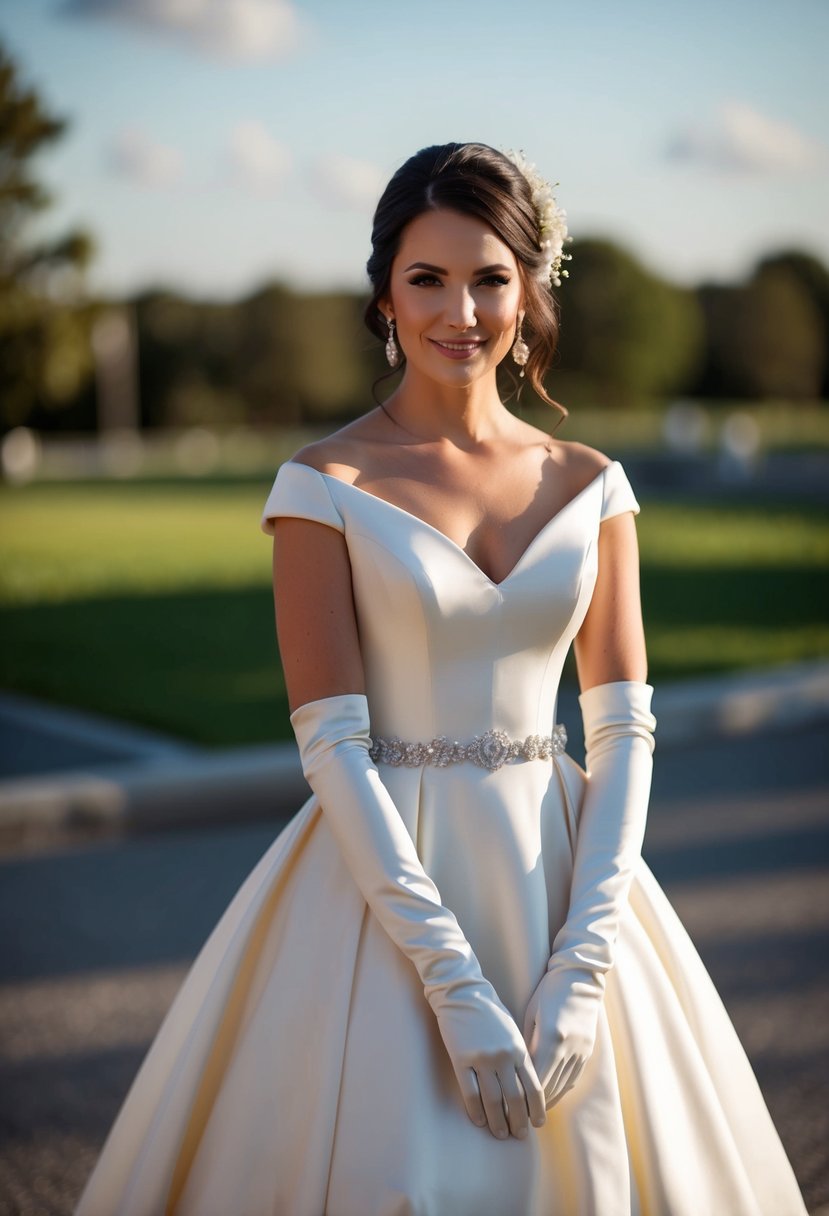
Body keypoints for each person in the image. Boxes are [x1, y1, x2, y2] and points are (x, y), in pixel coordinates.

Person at [75, 143, 808, 1216]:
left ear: (529, 289)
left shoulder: (594, 484)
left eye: (488, 278)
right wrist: (454, 988)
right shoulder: (322, 484)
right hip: (380, 886)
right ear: (383, 297)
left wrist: (583, 964)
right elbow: (331, 742)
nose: (458, 310)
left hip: (567, 876)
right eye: (427, 279)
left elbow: (624, 729)